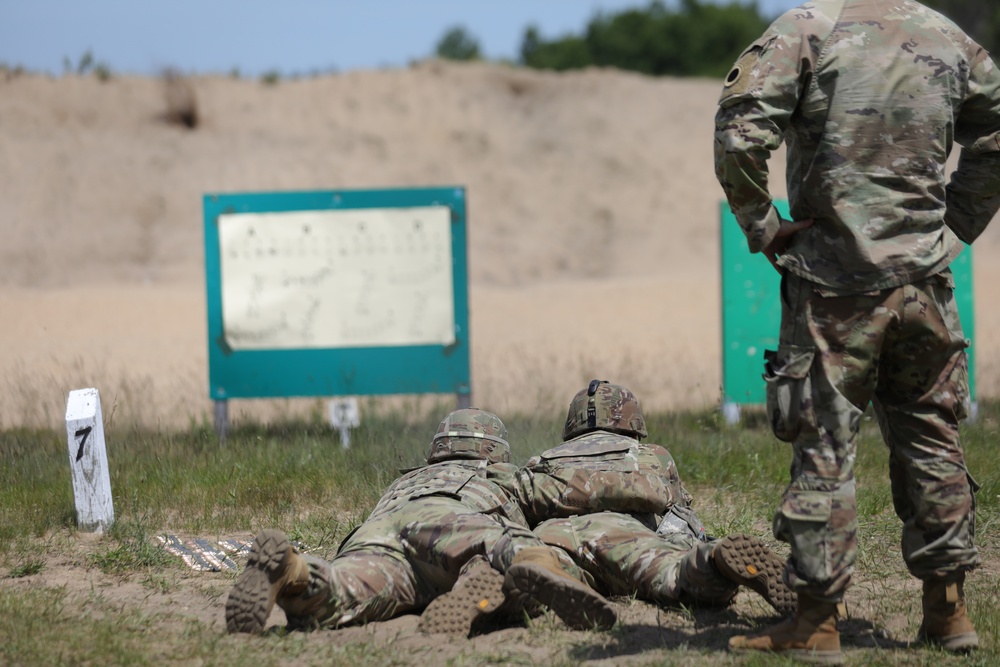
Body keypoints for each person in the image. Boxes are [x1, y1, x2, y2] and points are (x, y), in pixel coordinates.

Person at [714, 0, 1000, 663]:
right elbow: (995, 132)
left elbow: (739, 130)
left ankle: (816, 620)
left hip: (833, 289)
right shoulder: (950, 39)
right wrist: (957, 222)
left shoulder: (808, 29)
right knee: (932, 431)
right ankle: (949, 610)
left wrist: (761, 222)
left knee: (822, 442)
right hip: (925, 283)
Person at [225, 408, 617, 636]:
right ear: (495, 452)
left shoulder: (404, 480)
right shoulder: (497, 474)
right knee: (498, 550)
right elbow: (566, 494)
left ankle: (295, 572)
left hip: (379, 533)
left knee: (343, 593)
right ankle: (527, 565)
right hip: (453, 520)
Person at [509, 380, 796, 615]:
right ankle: (714, 560)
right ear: (633, 420)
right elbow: (680, 518)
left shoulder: (544, 458)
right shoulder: (653, 455)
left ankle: (537, 575)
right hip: (625, 535)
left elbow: (523, 512)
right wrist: (690, 545)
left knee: (540, 572)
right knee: (673, 576)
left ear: (572, 423)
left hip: (554, 535)